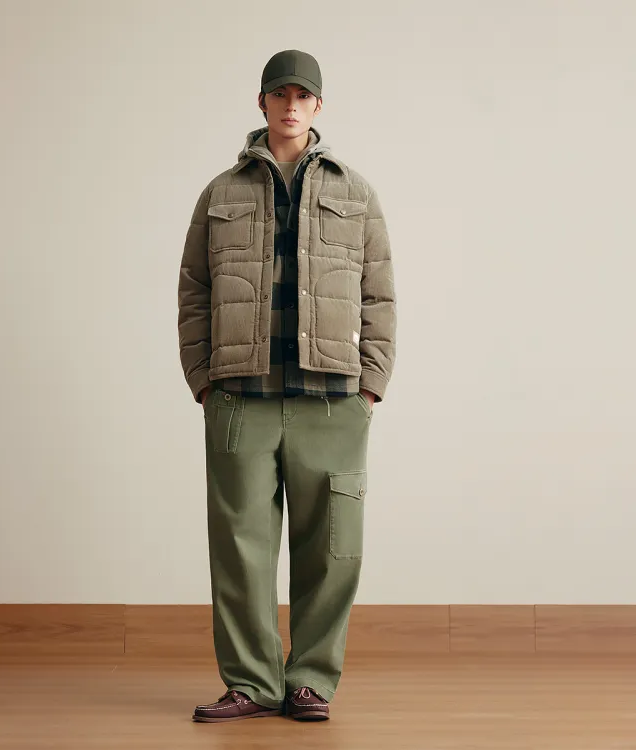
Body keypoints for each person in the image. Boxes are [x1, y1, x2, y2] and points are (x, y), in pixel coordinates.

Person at [177, 49, 397, 722]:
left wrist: (370, 387)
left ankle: (310, 682)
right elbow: (194, 290)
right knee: (239, 549)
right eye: (281, 94)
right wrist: (203, 382)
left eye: (303, 96)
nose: (291, 105)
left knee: (332, 548)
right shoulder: (221, 193)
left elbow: (379, 294)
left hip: (331, 400)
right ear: (263, 102)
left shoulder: (356, 193)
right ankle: (251, 683)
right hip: (240, 397)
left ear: (319, 106)